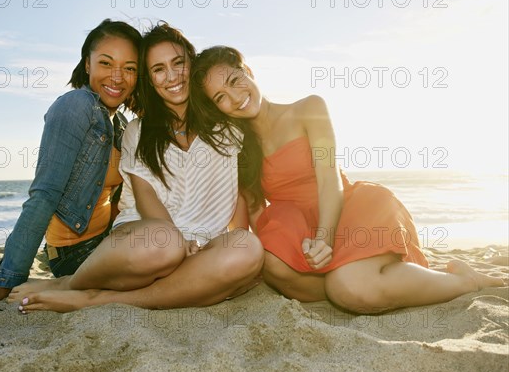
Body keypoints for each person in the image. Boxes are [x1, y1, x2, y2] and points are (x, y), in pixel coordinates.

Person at [190, 46, 505, 314]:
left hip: (349, 210)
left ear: (247, 71)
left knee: (349, 287)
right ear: (217, 108)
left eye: (234, 80)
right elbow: (259, 215)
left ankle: (465, 280)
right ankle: (366, 279)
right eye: (220, 97)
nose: (234, 96)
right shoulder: (239, 148)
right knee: (273, 264)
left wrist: (325, 237)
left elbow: (329, 180)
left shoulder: (308, 108)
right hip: (300, 228)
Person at [5, 23, 264, 313]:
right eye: (158, 69)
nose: (172, 76)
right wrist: (181, 242)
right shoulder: (138, 131)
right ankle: (71, 286)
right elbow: (145, 197)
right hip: (144, 243)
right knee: (165, 243)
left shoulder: (228, 127)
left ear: (193, 65)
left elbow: (237, 194)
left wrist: (233, 243)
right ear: (150, 80)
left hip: (201, 249)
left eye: (179, 64)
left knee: (248, 248)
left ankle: (98, 299)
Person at [0, 19, 142, 310]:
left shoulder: (119, 124)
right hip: (75, 252)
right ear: (87, 65)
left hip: (106, 241)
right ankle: (55, 287)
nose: (117, 77)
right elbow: (44, 194)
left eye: (129, 68)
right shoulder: (75, 106)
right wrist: (2, 287)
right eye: (106, 63)